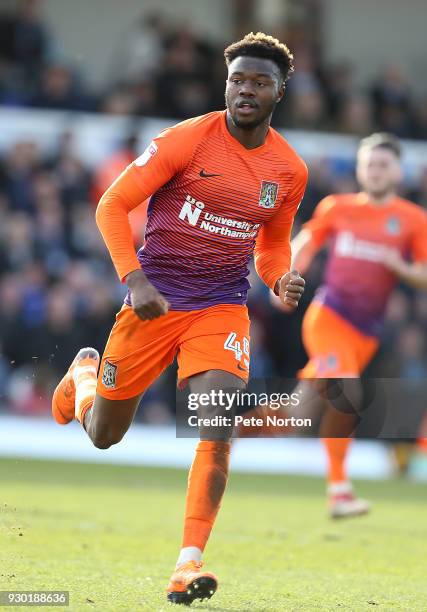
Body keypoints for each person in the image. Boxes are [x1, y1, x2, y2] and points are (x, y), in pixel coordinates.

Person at [51, 32, 308, 604]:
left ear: (279, 91)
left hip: (220, 308)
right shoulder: (189, 139)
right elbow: (111, 204)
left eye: (260, 82)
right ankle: (85, 378)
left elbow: (271, 245)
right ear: (227, 82)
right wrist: (134, 280)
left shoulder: (288, 170)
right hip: (153, 302)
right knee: (103, 436)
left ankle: (187, 564)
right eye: (238, 79)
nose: (246, 89)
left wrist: (277, 277)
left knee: (217, 426)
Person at [290, 132, 427, 518]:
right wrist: (288, 274)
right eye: (369, 163)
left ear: (399, 170)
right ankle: (340, 492)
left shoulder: (413, 220)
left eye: (383, 164)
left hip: (365, 333)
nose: (375, 171)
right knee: (346, 394)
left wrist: (400, 267)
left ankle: (227, 434)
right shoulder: (338, 207)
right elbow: (307, 240)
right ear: (360, 168)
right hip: (329, 316)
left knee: (295, 410)